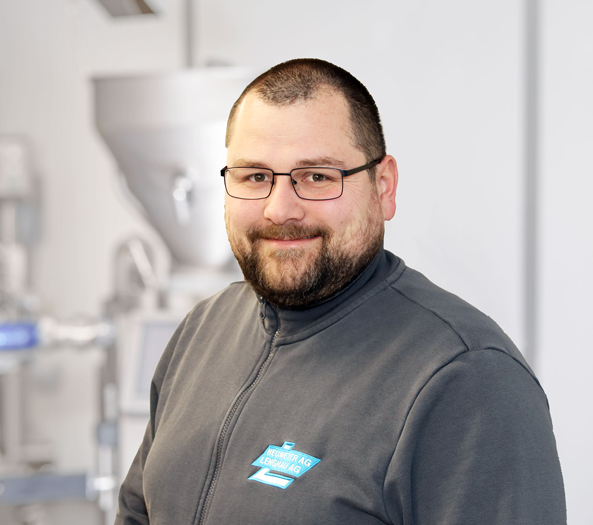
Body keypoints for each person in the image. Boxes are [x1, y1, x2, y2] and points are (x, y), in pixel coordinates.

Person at [115, 59, 566, 525]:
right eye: (255, 177)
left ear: (383, 187)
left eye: (317, 177)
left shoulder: (467, 380)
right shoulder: (202, 331)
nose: (279, 210)